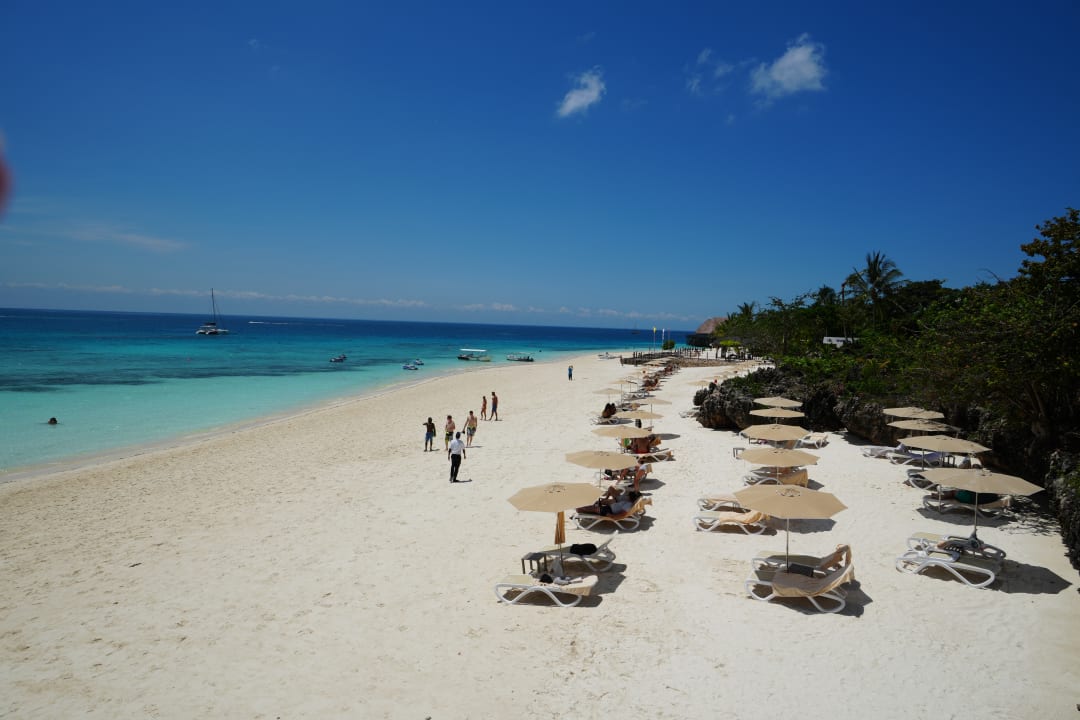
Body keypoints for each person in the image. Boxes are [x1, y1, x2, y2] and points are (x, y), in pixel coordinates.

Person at [576, 487, 641, 516]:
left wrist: (612, 516)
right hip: (609, 508)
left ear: (630, 497)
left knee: (592, 509)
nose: (627, 495)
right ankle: (581, 509)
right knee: (593, 508)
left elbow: (623, 514)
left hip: (608, 511)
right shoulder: (628, 503)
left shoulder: (628, 505)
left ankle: (580, 509)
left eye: (628, 495)